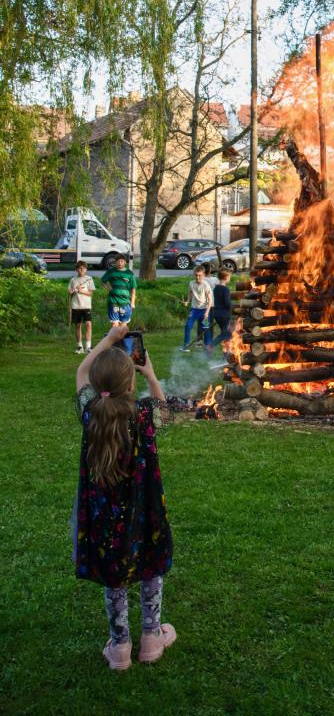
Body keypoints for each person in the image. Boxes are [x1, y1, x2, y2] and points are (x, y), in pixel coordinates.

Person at [74, 325, 175, 670]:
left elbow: (81, 371)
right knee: (150, 565)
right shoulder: (143, 414)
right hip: (144, 512)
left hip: (104, 519)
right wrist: (150, 374)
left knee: (113, 574)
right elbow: (164, 410)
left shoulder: (91, 414)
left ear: (98, 386)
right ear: (131, 384)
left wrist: (109, 339)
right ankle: (151, 637)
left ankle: (119, 646)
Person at [181, 265, 213, 352]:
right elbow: (190, 294)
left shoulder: (206, 285)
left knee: (206, 328)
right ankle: (186, 345)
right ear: (193, 274)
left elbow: (210, 300)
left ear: (203, 275)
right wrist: (187, 301)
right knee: (188, 326)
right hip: (194, 310)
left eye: (200, 275)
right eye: (196, 275)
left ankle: (207, 346)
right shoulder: (191, 283)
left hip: (204, 310)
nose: (197, 277)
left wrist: (207, 312)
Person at [101, 255, 137, 326]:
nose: (120, 263)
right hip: (113, 301)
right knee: (115, 324)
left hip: (125, 302)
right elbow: (103, 281)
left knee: (123, 325)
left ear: (125, 262)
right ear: (115, 262)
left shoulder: (129, 273)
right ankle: (115, 333)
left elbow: (133, 288)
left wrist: (132, 302)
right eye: (118, 261)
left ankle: (122, 333)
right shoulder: (111, 271)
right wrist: (108, 288)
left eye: (122, 261)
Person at [68, 260, 96, 354]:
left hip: (86, 305)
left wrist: (81, 291)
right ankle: (79, 347)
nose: (81, 269)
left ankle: (88, 346)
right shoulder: (73, 280)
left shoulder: (89, 279)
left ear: (86, 269)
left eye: (83, 268)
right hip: (76, 306)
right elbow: (70, 292)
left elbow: (91, 293)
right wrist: (72, 292)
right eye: (80, 268)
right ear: (76, 269)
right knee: (77, 325)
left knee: (88, 324)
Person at [211, 267, 232, 349]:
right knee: (226, 334)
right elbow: (226, 303)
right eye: (229, 277)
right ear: (226, 277)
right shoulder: (225, 289)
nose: (230, 278)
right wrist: (232, 306)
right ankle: (210, 346)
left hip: (216, 313)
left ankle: (227, 350)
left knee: (226, 333)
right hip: (224, 314)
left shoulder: (216, 288)